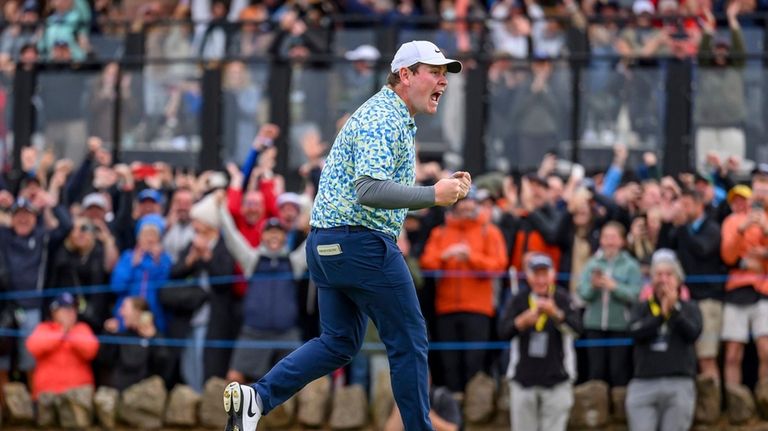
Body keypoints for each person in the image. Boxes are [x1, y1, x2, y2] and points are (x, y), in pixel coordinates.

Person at [222, 40, 469, 431]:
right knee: (409, 341)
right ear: (405, 75)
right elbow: (368, 189)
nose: (443, 81)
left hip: (328, 246)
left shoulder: (389, 115)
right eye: (434, 72)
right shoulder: (384, 117)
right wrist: (432, 195)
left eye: (445, 74)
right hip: (362, 244)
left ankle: (258, 397)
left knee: (339, 342)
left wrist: (438, 189)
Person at [498, 253, 581, 431]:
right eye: (536, 274)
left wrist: (557, 314)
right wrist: (520, 323)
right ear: (528, 276)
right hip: (523, 381)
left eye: (545, 274)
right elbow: (502, 332)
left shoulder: (562, 298)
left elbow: (578, 330)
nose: (541, 280)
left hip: (557, 381)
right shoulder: (519, 299)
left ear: (552, 275)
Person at [625, 251, 702, 431]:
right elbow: (635, 332)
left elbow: (693, 333)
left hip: (679, 383)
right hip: (643, 383)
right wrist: (660, 316)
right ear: (651, 279)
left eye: (669, 274)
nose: (663, 279)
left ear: (678, 279)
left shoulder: (690, 307)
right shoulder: (641, 307)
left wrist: (673, 312)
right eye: (658, 274)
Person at [25, 292, 100, 400]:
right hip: (48, 394)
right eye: (65, 309)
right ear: (54, 312)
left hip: (78, 395)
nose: (70, 313)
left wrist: (70, 334)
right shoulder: (44, 328)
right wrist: (60, 333)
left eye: (73, 309)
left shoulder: (82, 328)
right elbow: (33, 347)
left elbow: (91, 350)